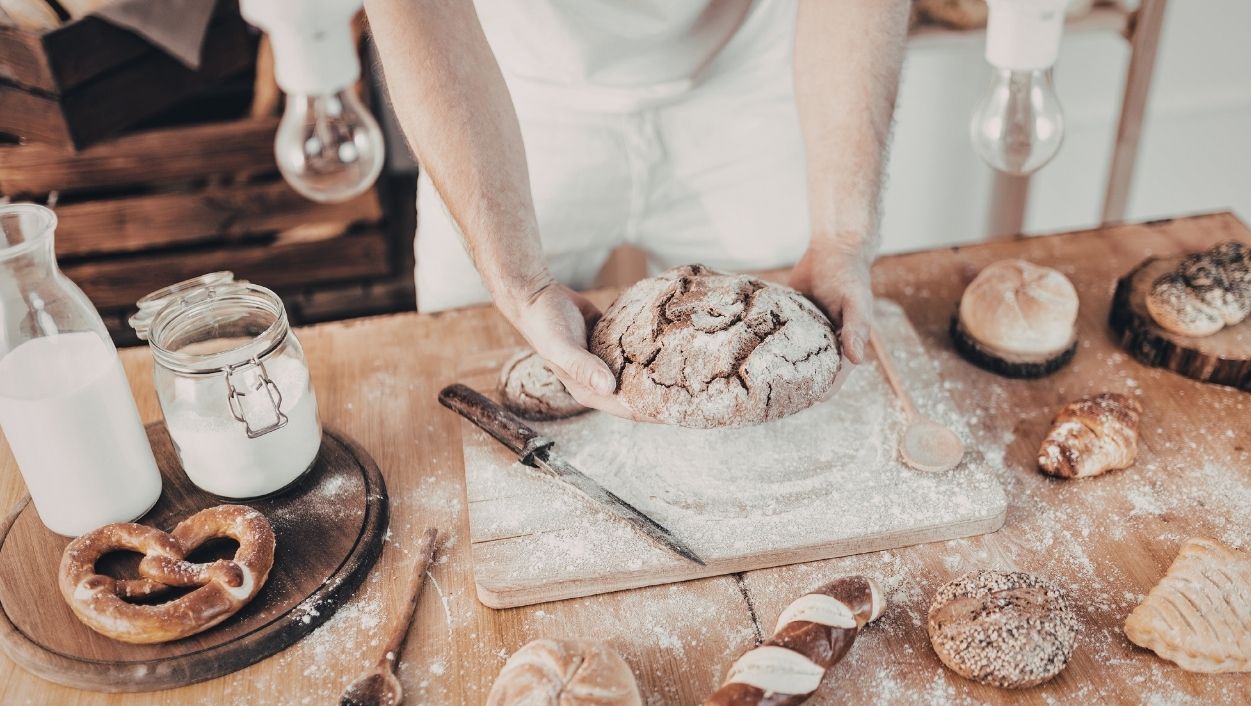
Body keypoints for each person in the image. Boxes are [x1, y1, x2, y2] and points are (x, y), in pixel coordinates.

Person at [366, 0, 911, 417]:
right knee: (460, 360)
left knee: (792, 358)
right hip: (503, 80)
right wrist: (520, 283)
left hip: (748, 69)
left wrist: (841, 238)